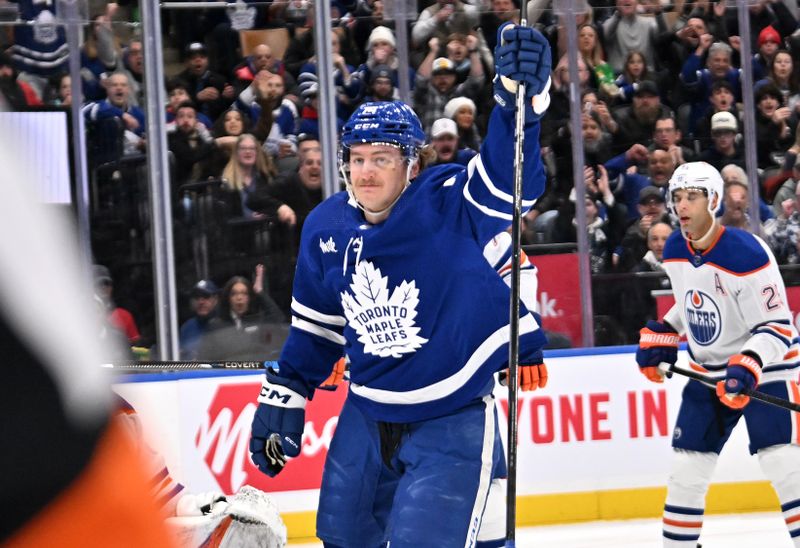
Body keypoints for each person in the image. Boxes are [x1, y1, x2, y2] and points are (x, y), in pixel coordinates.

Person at [248, 24, 552, 547]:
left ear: (413, 164)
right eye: (358, 159)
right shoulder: (325, 226)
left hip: (449, 414)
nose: (366, 173)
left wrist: (517, 101)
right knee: (341, 540)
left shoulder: (448, 199)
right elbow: (318, 329)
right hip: (365, 414)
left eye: (382, 159)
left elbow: (508, 179)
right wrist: (288, 390)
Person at [635, 161, 800, 546]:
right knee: (685, 473)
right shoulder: (675, 248)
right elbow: (693, 302)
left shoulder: (746, 254)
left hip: (767, 371)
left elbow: (778, 326)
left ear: (712, 200)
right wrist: (666, 332)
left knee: (783, 463)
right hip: (708, 374)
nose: (682, 206)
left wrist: (748, 363)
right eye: (677, 198)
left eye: (692, 196)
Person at [179, 279, 220, 360]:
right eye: (197, 297)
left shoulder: (225, 325)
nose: (201, 302)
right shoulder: (187, 327)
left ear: (215, 300)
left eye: (206, 296)